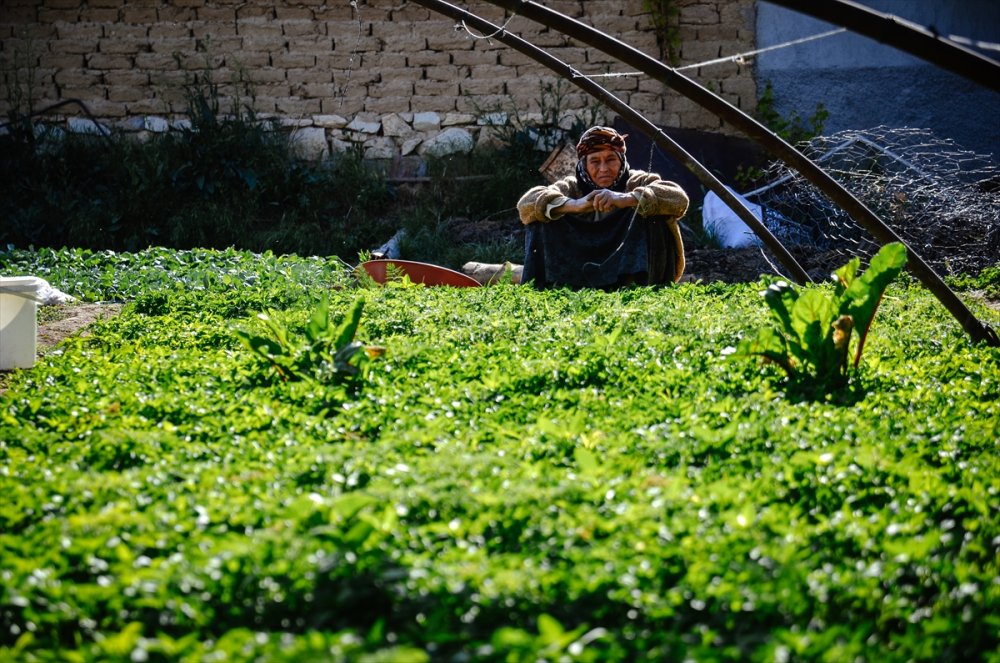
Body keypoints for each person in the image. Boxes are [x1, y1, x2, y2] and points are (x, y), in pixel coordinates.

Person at [517, 126, 689, 289]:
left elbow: (678, 199)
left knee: (654, 214)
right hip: (580, 262)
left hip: (625, 266)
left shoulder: (636, 180)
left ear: (621, 161)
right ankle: (552, 284)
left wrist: (627, 198)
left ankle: (642, 283)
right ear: (584, 165)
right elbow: (526, 205)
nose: (603, 169)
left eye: (610, 159)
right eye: (595, 161)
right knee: (543, 213)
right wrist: (575, 205)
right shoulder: (573, 186)